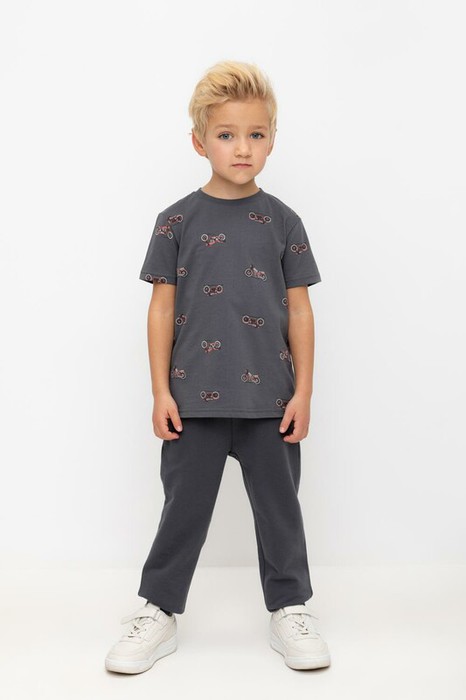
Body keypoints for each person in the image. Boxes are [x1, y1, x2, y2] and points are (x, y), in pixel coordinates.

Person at [105, 60, 331, 674]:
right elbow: (161, 309)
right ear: (199, 141)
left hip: (271, 403)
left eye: (256, 134)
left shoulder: (284, 222)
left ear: (273, 140)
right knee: (182, 510)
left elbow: (301, 311)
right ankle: (158, 610)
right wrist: (160, 392)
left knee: (280, 511)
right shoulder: (176, 221)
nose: (242, 147)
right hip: (193, 401)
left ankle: (291, 607)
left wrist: (304, 392)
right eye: (227, 134)